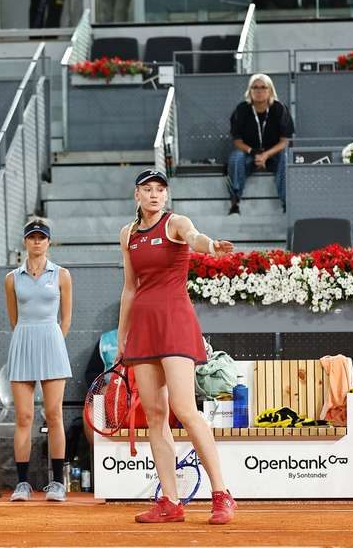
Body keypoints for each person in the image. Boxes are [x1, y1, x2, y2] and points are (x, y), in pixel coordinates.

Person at [118, 169, 237, 525]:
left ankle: (221, 494)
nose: (154, 195)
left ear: (166, 196)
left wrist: (211, 246)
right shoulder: (127, 234)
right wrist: (122, 337)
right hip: (143, 328)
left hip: (175, 323)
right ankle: (170, 502)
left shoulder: (176, 223)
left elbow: (195, 238)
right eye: (147, 189)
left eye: (160, 190)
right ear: (136, 195)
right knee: (155, 415)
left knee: (185, 408)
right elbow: (129, 287)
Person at [4, 219, 73, 502]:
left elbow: (66, 319)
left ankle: (57, 483)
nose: (36, 242)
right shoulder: (12, 278)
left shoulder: (62, 275)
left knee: (54, 415)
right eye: (32, 237)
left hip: (52, 343)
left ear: (48, 242)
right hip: (22, 342)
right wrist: (27, 335)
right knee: (23, 417)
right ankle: (22, 484)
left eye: (41, 237)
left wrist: (52, 338)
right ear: (25, 241)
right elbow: (13, 318)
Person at [227, 73, 294, 215]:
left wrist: (266, 155)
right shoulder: (242, 109)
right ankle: (235, 201)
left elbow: (285, 141)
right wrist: (254, 153)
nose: (259, 91)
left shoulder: (279, 109)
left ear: (270, 90)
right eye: (255, 87)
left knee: (286, 156)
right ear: (249, 91)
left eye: (263, 87)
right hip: (250, 153)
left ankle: (287, 202)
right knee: (236, 157)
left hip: (273, 153)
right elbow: (237, 141)